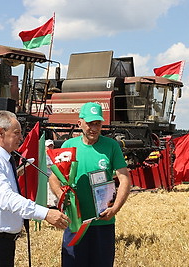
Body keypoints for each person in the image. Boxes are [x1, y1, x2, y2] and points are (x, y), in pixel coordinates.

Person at [0, 110, 70, 266]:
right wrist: (45, 213)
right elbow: (7, 199)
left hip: (0, 244)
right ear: (1, 132)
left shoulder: (3, 160)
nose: (21, 138)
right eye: (17, 133)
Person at [49, 102, 131, 266]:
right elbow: (54, 178)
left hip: (103, 222)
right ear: (80, 123)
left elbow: (125, 179)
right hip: (75, 223)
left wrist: (115, 209)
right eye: (89, 123)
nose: (93, 128)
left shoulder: (111, 146)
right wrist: (62, 196)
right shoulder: (68, 146)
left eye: (97, 124)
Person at [45, 139, 58, 207]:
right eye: (48, 146)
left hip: (54, 180)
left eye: (51, 146)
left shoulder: (56, 156)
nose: (50, 148)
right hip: (45, 180)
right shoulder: (42, 157)